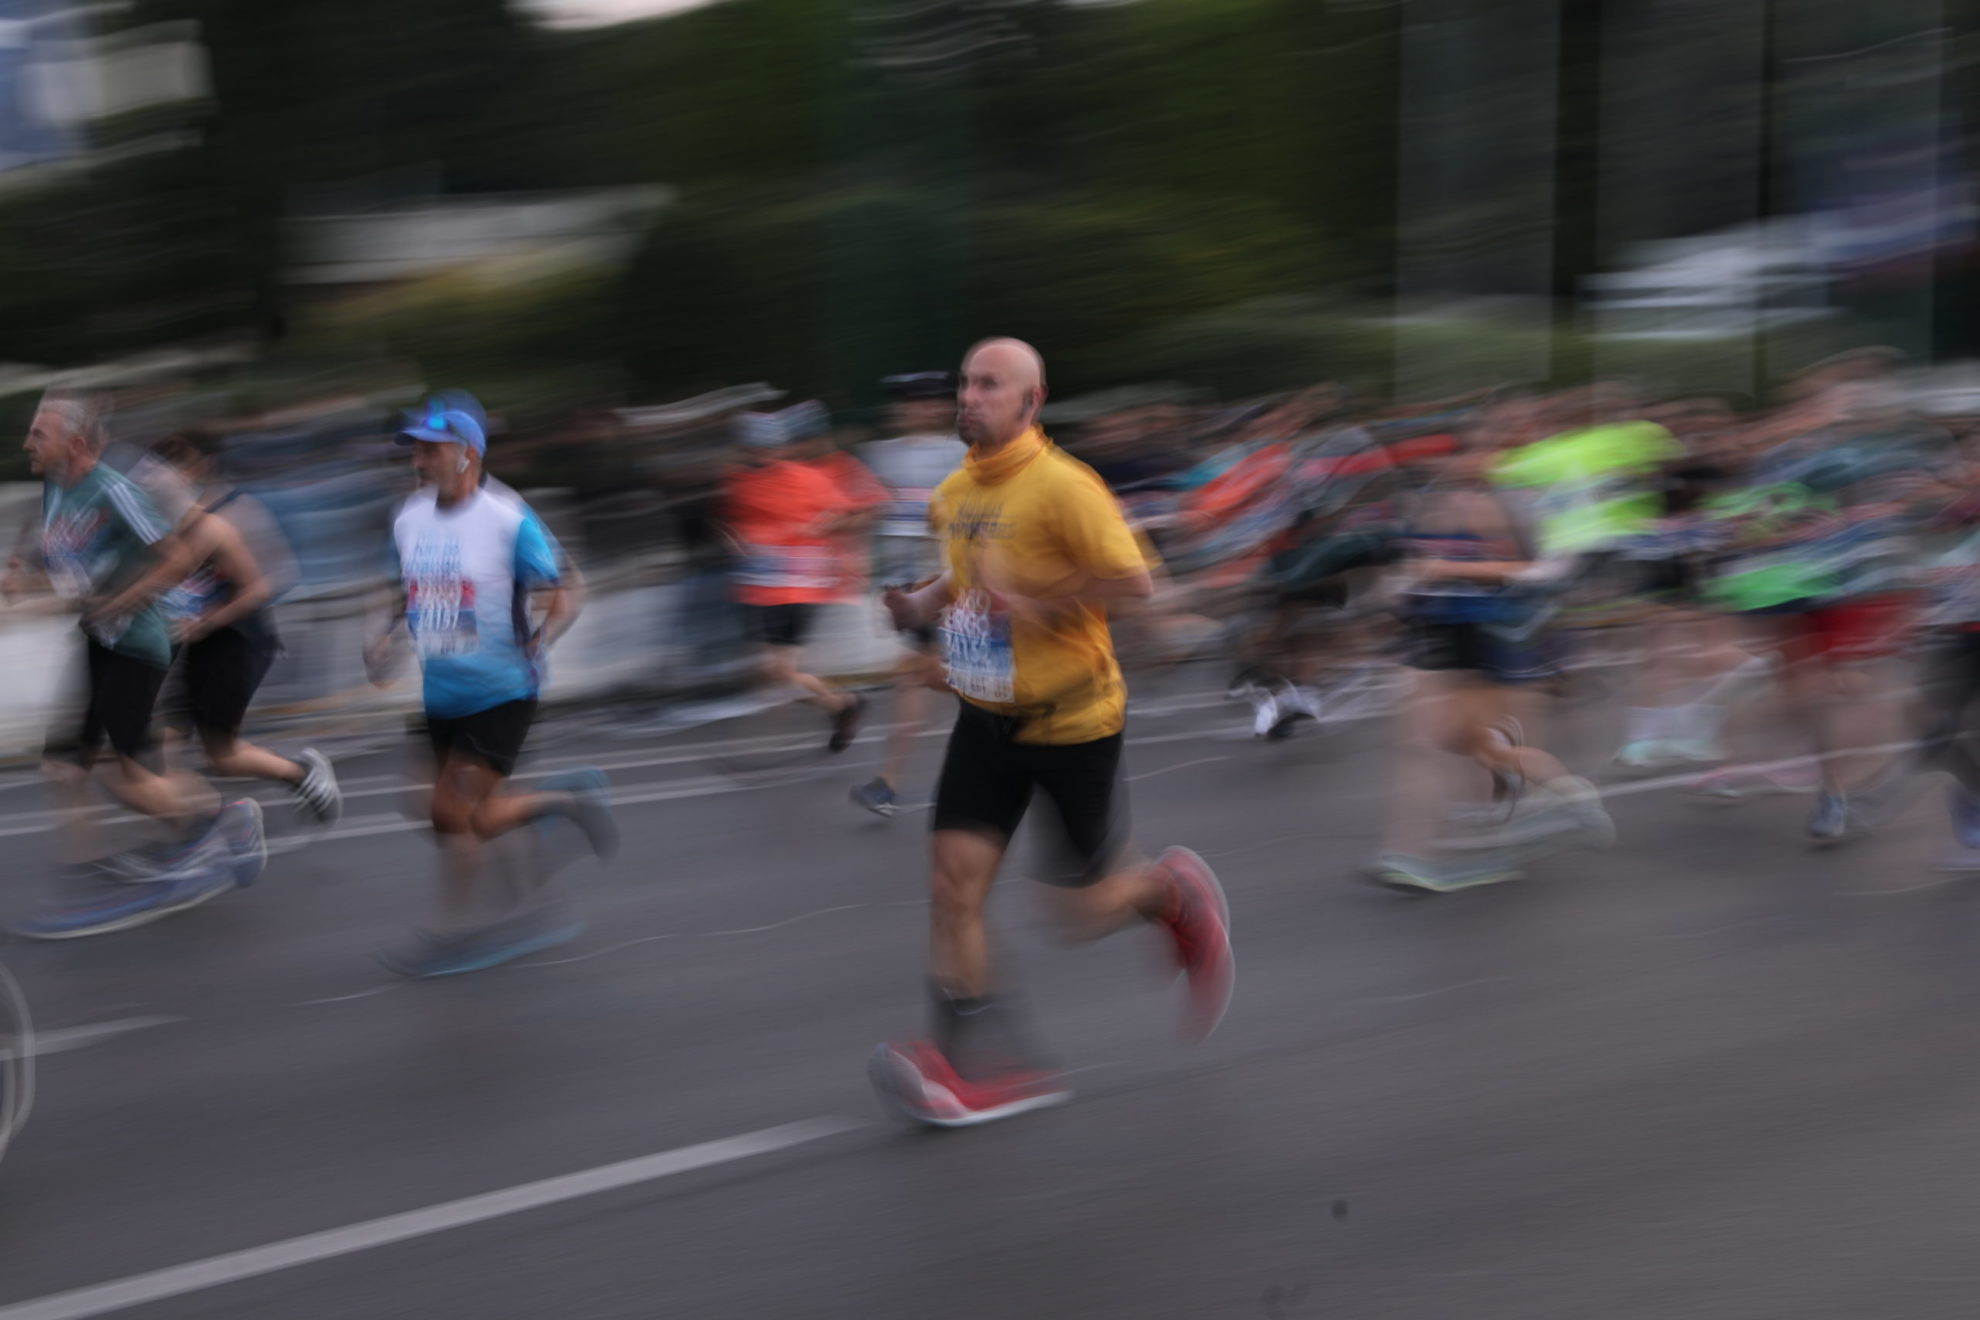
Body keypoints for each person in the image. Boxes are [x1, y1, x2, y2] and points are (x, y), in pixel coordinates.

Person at [868, 338, 1234, 1128]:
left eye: (989, 385)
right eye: (965, 382)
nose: (970, 396)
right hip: (985, 717)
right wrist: (921, 605)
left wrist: (1037, 600)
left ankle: (1169, 891)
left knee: (1076, 915)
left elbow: (1141, 587)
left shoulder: (1066, 488)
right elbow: (965, 575)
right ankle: (972, 1067)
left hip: (1074, 725)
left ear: (1032, 402)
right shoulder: (956, 491)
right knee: (950, 888)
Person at [365, 393, 617, 977]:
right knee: (439, 812)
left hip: (504, 692)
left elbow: (568, 585)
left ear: (467, 454)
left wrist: (545, 636)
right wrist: (380, 635)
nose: (419, 461)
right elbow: (397, 585)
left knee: (456, 812)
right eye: (415, 451)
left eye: (431, 449)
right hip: (442, 693)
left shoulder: (508, 519)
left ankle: (454, 930)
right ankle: (562, 808)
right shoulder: (409, 516)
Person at [8, 393, 265, 939]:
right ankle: (89, 877)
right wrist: (16, 566)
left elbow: (176, 556)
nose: (28, 442)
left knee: (135, 776)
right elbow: (48, 543)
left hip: (135, 645)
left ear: (74, 444)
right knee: (64, 766)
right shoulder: (57, 484)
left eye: (38, 434)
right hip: (97, 639)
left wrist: (125, 600)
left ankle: (225, 822)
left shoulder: (116, 491)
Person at [101, 431, 341, 843]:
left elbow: (261, 587)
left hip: (238, 640)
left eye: (166, 472)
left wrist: (208, 620)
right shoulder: (158, 533)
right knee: (163, 744)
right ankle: (187, 833)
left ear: (191, 472)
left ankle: (302, 775)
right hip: (196, 643)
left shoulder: (222, 520)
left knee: (223, 756)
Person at [851, 373, 967, 816]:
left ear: (940, 406)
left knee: (911, 674)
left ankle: (887, 784)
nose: (915, 409)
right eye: (906, 402)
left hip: (943, 581)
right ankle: (1014, 702)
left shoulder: (960, 456)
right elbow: (868, 514)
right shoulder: (880, 456)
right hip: (902, 584)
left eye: (925, 402)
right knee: (926, 674)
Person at [721, 402, 866, 751]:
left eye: (769, 446)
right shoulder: (737, 481)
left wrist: (825, 525)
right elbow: (731, 522)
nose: (764, 453)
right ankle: (841, 704)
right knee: (770, 674)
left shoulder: (805, 477)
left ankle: (844, 706)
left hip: (799, 586)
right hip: (762, 588)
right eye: (755, 447)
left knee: (779, 671)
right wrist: (732, 538)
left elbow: (849, 512)